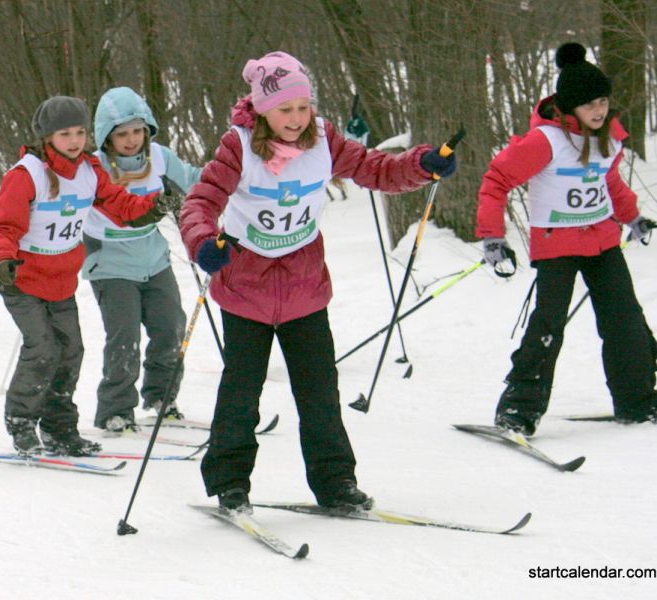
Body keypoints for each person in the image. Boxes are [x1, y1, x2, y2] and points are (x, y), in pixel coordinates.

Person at [179, 51, 456, 513]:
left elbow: (377, 170)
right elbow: (201, 202)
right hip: (245, 286)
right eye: (285, 109)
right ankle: (231, 483)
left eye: (302, 107)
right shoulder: (239, 145)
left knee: (320, 392)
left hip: (305, 287)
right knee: (241, 394)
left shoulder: (325, 139)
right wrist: (204, 241)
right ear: (263, 109)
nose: (296, 118)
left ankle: (335, 483)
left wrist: (423, 164)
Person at [476, 42, 657, 436]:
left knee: (626, 320)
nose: (599, 110)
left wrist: (632, 217)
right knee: (548, 326)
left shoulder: (608, 138)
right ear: (570, 108)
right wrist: (492, 236)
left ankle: (637, 398)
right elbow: (496, 180)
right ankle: (518, 410)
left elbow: (610, 182)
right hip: (557, 247)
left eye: (603, 101)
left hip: (603, 242)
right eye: (590, 105)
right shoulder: (545, 141)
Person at [0, 95, 169, 455]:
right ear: (47, 137)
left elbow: (119, 203)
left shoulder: (89, 171)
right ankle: (21, 421)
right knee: (42, 348)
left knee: (71, 351)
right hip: (22, 280)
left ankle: (59, 428)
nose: (73, 140)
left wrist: (152, 208)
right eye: (64, 134)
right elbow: (5, 227)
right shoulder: (26, 175)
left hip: (60, 280)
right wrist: (3, 260)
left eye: (80, 132)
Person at [84, 87, 203, 433]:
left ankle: (162, 398)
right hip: (110, 261)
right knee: (124, 338)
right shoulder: (95, 166)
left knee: (170, 328)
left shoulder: (161, 158)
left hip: (153, 256)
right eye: (122, 134)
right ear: (107, 137)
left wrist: (231, 175)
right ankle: (116, 409)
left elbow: (195, 180)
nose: (131, 140)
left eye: (138, 131)